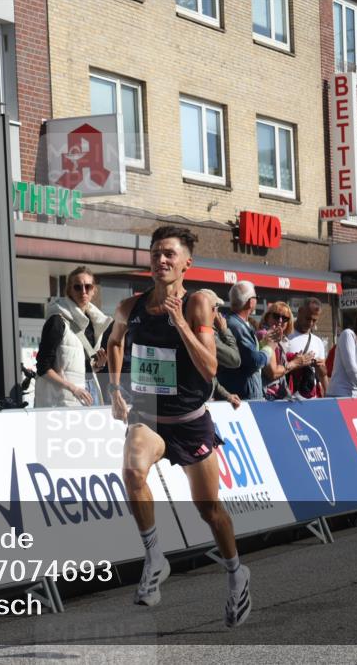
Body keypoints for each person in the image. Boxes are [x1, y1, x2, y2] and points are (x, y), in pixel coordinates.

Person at [106, 225, 251, 628]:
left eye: (169, 254)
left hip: (190, 420)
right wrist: (116, 387)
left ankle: (237, 572)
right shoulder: (128, 308)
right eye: (155, 254)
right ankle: (154, 556)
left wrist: (181, 324)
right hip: (149, 415)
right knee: (132, 471)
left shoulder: (198, 305)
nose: (161, 260)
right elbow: (115, 343)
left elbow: (209, 369)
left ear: (187, 263)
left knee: (209, 509)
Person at [34, 267, 112, 407]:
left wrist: (98, 365)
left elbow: (76, 365)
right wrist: (72, 388)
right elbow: (42, 367)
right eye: (77, 287)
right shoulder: (57, 321)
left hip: (90, 389)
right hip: (65, 396)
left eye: (88, 286)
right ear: (69, 290)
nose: (83, 291)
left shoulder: (95, 323)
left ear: (94, 290)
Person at [222, 280, 272, 401]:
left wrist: (263, 343)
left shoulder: (234, 322)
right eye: (256, 297)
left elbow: (245, 354)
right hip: (244, 398)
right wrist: (270, 347)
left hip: (239, 394)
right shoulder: (237, 326)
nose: (257, 300)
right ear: (250, 302)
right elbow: (254, 361)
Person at [260, 302, 313, 400]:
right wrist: (294, 363)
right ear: (267, 317)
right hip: (267, 396)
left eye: (285, 318)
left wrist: (296, 358)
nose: (280, 320)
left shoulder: (283, 340)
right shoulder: (265, 335)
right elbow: (273, 373)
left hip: (278, 395)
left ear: (289, 322)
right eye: (276, 316)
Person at [199, 289, 242, 406]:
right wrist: (224, 330)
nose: (218, 313)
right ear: (210, 309)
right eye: (216, 307)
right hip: (198, 404)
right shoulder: (205, 334)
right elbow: (235, 360)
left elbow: (210, 377)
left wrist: (226, 395)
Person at [285, 298, 328, 397]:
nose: (310, 323)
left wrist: (321, 367)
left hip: (310, 398)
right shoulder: (285, 334)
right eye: (308, 318)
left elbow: (323, 375)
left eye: (314, 320)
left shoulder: (318, 342)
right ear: (300, 311)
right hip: (287, 398)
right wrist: (296, 363)